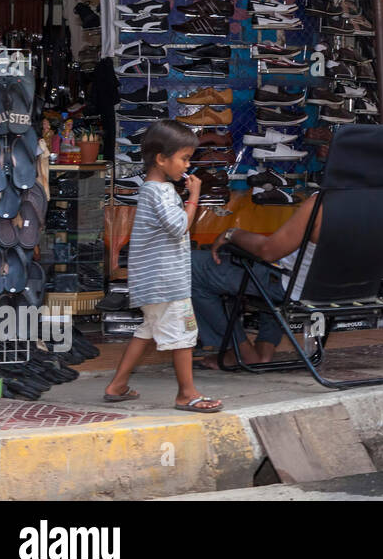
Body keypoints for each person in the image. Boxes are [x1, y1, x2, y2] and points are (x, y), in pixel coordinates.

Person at [103, 121, 222, 412]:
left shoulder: (152, 190)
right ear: (161, 159)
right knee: (183, 334)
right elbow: (179, 226)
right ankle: (187, 394)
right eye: (184, 158)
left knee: (146, 330)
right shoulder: (161, 191)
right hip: (166, 283)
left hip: (153, 281)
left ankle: (117, 385)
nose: (188, 166)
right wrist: (195, 196)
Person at [191, 194, 323, 368]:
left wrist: (231, 234)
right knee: (270, 269)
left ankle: (240, 352)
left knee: (190, 266)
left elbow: (268, 250)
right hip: (347, 293)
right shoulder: (371, 203)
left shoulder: (322, 203)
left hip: (292, 286)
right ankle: (264, 350)